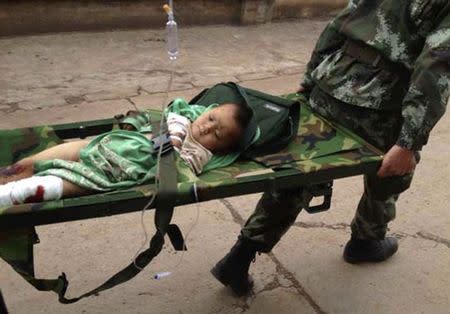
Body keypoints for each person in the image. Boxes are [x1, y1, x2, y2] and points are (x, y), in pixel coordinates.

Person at [211, 0, 450, 296]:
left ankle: (240, 256)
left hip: (331, 83)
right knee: (392, 169)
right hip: (380, 104)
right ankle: (367, 240)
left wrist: (312, 76)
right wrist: (409, 142)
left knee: (300, 172)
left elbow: (340, 22)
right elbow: (436, 64)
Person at [0, 98, 253, 207]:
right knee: (48, 158)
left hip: (117, 169)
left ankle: (11, 193)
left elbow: (175, 168)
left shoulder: (199, 154)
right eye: (211, 118)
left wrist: (171, 141)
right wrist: (174, 121)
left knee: (62, 182)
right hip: (109, 144)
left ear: (219, 149)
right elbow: (179, 108)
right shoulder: (189, 115)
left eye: (216, 134)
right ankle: (14, 172)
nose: (206, 127)